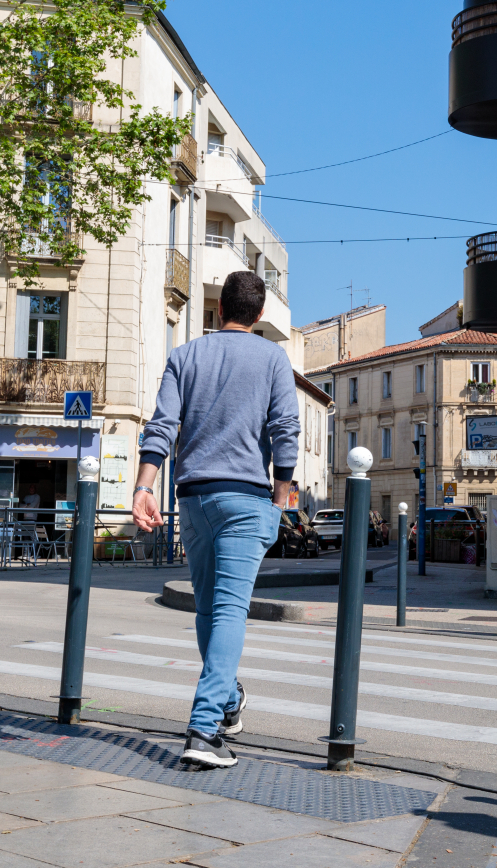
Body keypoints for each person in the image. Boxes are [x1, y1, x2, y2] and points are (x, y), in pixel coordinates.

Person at [132, 271, 298, 769]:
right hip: (245, 498)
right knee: (228, 611)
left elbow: (162, 426)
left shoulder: (185, 356)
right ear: (260, 314)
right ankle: (204, 730)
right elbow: (285, 430)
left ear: (219, 308)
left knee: (208, 609)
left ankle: (227, 702)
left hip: (193, 498)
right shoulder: (273, 358)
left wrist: (143, 488)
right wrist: (280, 500)